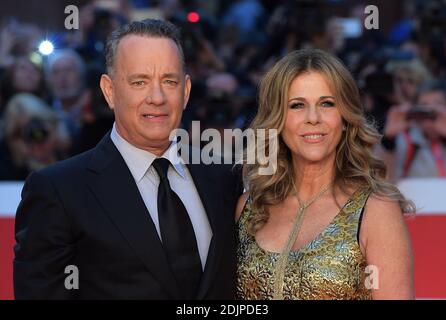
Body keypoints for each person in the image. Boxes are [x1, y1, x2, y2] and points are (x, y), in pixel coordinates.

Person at [14, 19, 242, 299]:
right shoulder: (59, 191)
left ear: (186, 91)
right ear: (109, 91)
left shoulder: (222, 175)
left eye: (169, 81)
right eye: (139, 82)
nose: (156, 97)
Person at [235, 49, 415, 300]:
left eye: (327, 103)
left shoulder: (376, 210)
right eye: (297, 105)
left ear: (344, 117)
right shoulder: (249, 208)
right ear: (277, 119)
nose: (313, 118)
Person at [380, 80, 446, 181]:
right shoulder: (404, 141)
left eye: (438, 104)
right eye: (424, 105)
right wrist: (388, 141)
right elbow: (382, 180)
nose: (431, 111)